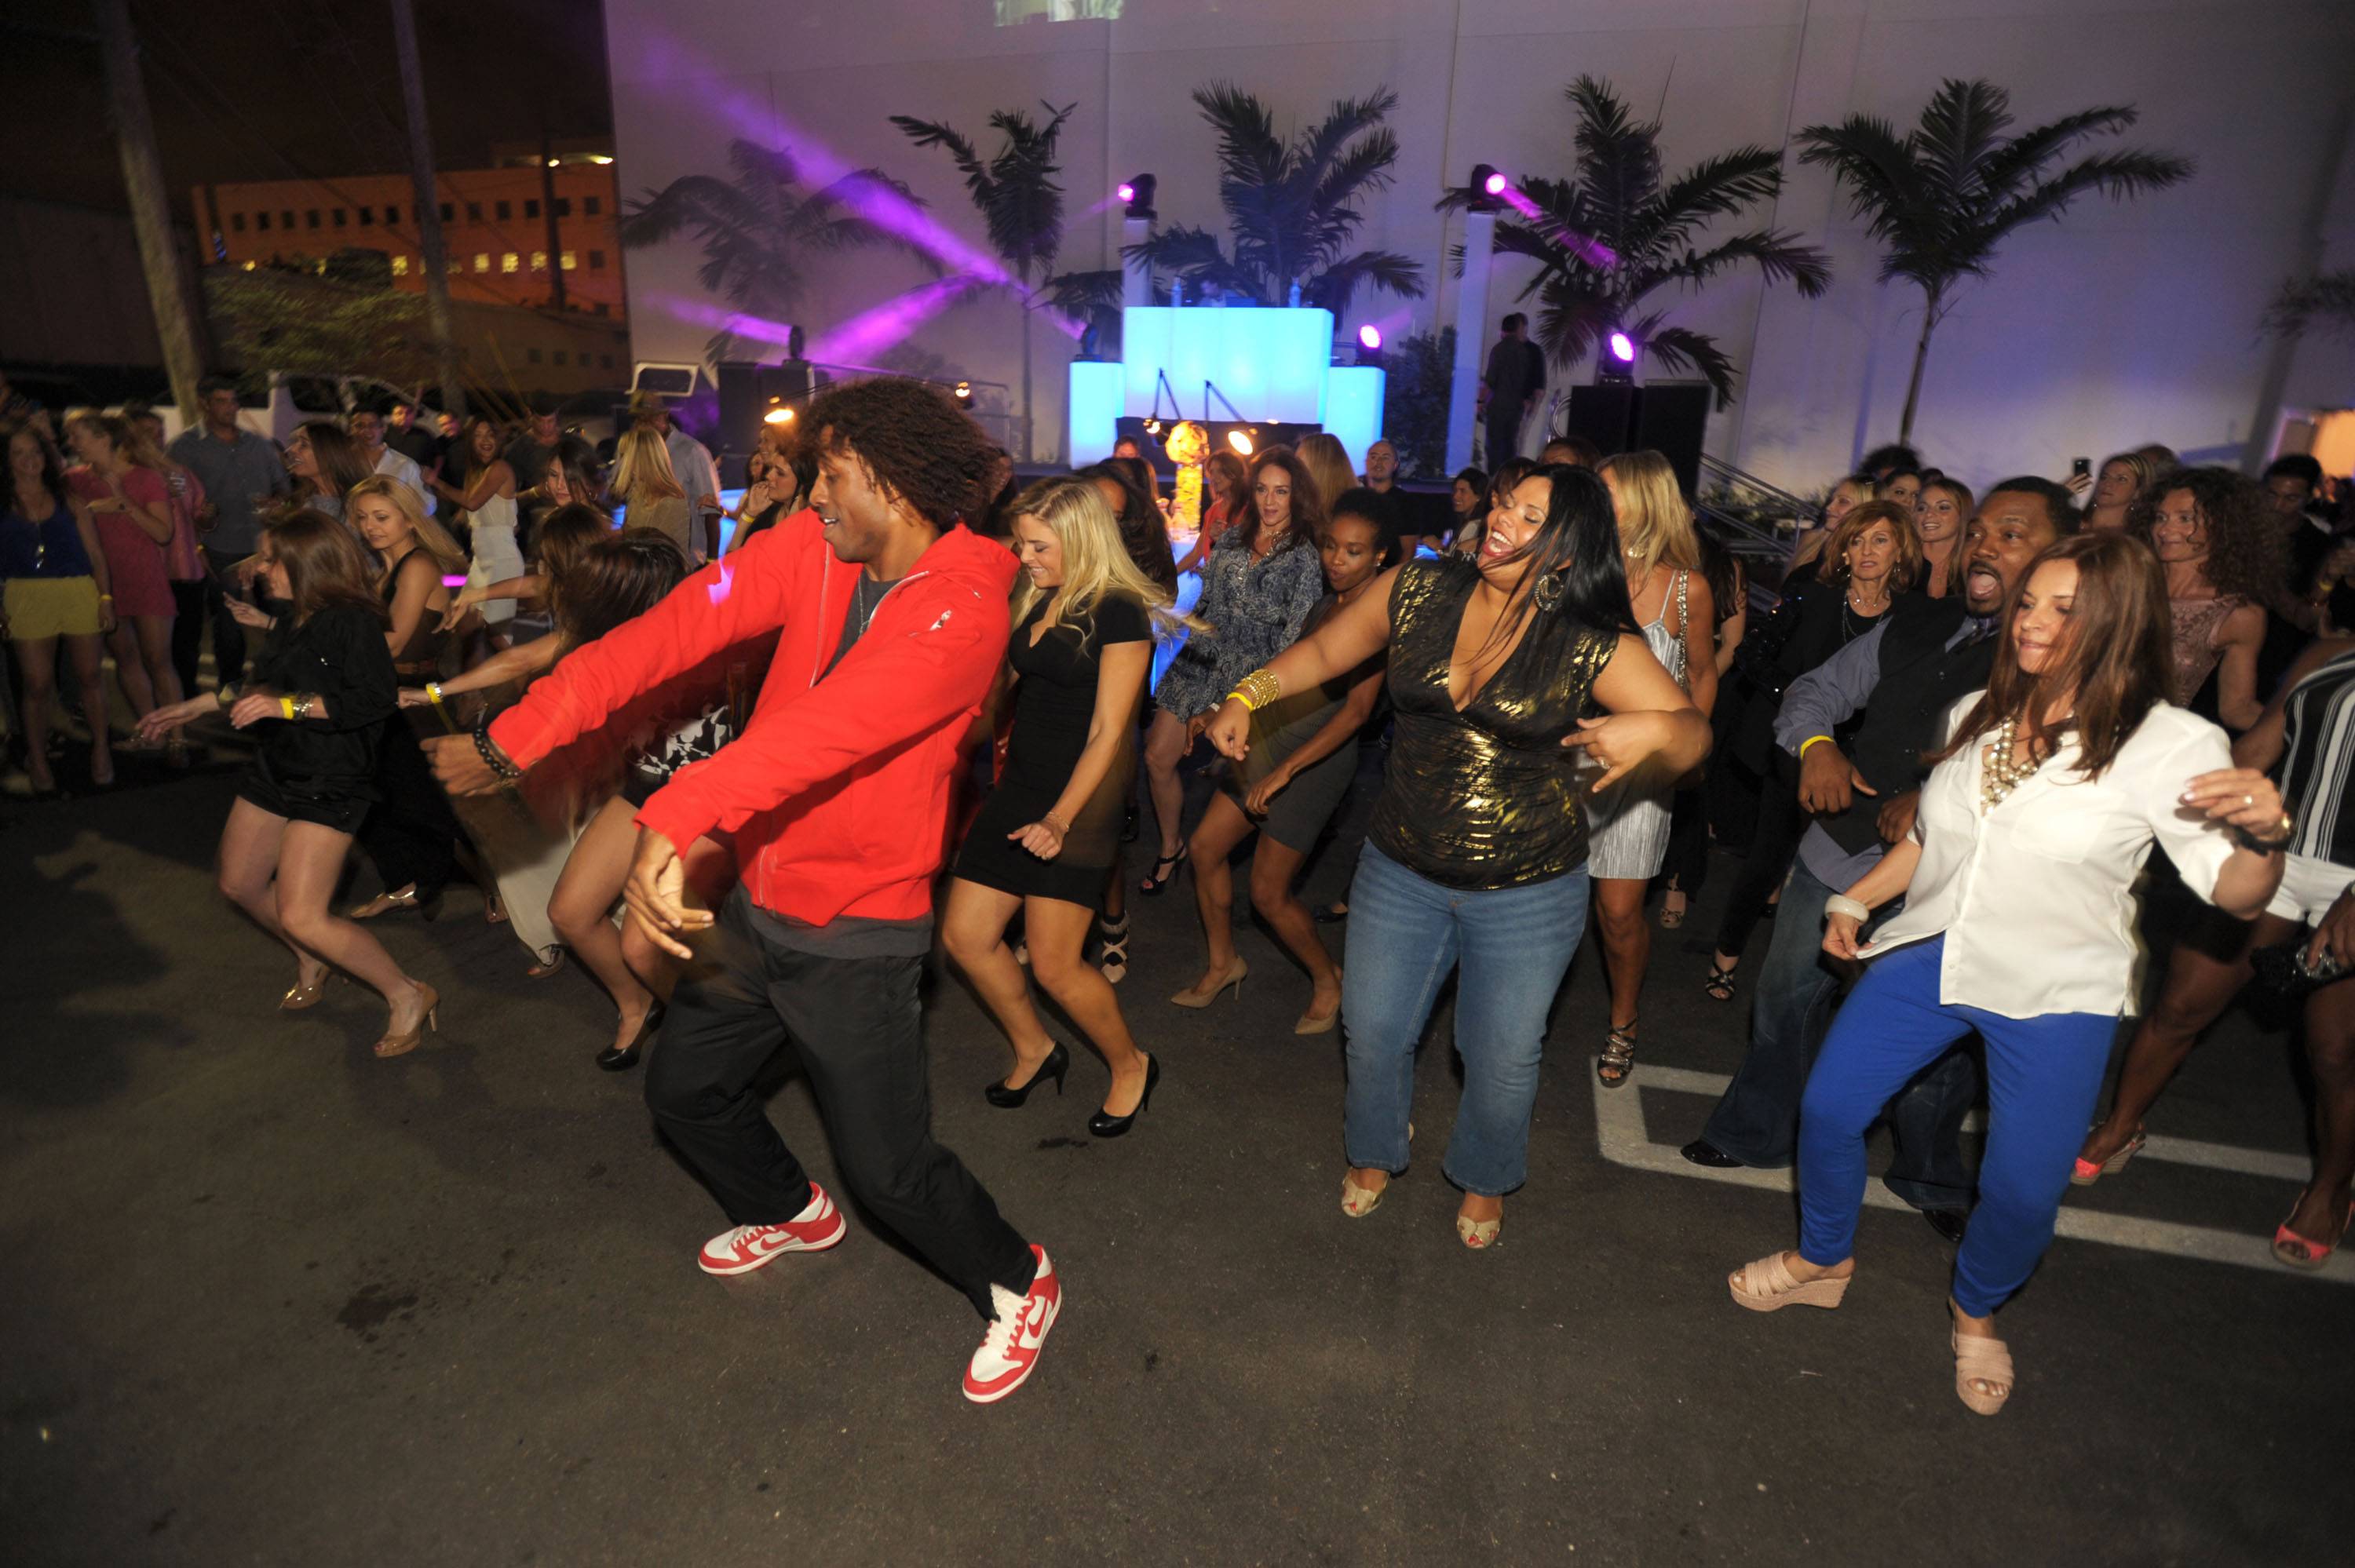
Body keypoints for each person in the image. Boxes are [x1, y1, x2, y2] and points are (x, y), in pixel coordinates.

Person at [426, 377, 1060, 1404]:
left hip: (859, 931)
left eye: (833, 478)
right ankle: (790, 1209)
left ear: (894, 485)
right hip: (760, 907)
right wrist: (519, 736)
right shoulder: (810, 547)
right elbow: (667, 631)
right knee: (683, 1094)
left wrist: (675, 819)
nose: (814, 496)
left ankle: (1019, 1279)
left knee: (891, 1174)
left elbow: (822, 735)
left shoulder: (965, 609)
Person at [1727, 531, 2289, 1416]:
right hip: (1936, 950)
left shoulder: (2170, 743)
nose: (2031, 622)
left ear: (2118, 622)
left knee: (2023, 1190)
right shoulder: (1979, 712)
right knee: (1830, 1108)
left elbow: (2234, 890)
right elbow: (1932, 838)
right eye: (2029, 603)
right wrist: (1854, 901)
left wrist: (2263, 836)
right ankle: (1823, 1258)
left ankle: (1977, 1307)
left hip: (2055, 987)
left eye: (2064, 610)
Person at [1205, 463, 1708, 1248]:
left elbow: (1693, 734)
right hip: (1400, 866)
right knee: (1372, 1030)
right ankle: (1374, 1150)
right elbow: (1326, 651)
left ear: (1568, 549)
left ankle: (1484, 1174)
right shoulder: (1418, 587)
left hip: (1528, 887)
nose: (1503, 518)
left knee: (1499, 1054)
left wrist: (1659, 729)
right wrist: (1248, 694)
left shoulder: (1591, 638)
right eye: (1506, 504)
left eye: (1531, 516)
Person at [1682, 480, 2079, 1245]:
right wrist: (1817, 747)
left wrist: (1936, 797)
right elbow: (1814, 691)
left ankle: (1928, 1172)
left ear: (2060, 555)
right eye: (1979, 531)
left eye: (2012, 534)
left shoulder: (2064, 658)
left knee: (1943, 1040)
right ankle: (1757, 1129)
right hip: (1842, 849)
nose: (1983, 547)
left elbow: (2060, 771)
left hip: (1959, 881)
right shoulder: (1923, 620)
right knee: (1785, 998)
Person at [2074, 587, 2355, 1267]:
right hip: (2277, 850)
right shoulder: (2329, 651)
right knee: (2180, 1003)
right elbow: (2259, 745)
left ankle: (2332, 1187)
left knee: (2334, 1052)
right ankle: (2120, 1126)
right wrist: (2179, 805)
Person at [135, 509, 443, 1057]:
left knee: (304, 914)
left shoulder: (353, 621)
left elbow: (373, 701)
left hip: (332, 777)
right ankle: (313, 956)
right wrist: (194, 706)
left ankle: (408, 993)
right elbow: (263, 685)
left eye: (271, 558)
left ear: (305, 563)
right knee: (239, 884)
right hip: (278, 765)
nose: (260, 567)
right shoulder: (295, 616)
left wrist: (287, 707)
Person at [407, 521, 714, 1034]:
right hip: (641, 788)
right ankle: (639, 1005)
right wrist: (472, 729)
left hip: (708, 794)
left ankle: (710, 1036)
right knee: (571, 913)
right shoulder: (610, 642)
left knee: (651, 940)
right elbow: (537, 665)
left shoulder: (713, 634)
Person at [940, 476, 1179, 1133]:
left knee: (1054, 965)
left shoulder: (1119, 611)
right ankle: (1035, 1048)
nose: (1025, 557)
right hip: (1022, 783)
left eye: (1039, 547)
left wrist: (1059, 818)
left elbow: (1109, 731)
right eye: (1022, 544)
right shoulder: (1037, 593)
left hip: (1081, 798)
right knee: (966, 937)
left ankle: (1131, 1064)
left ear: (1081, 541)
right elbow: (997, 685)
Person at [1176, 491, 1390, 1032]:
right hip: (1274, 738)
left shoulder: (1377, 622)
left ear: (1380, 557)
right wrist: (1224, 710)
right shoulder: (1327, 601)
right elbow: (1288, 673)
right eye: (1331, 546)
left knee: (1268, 894)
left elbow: (1356, 714)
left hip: (1318, 760)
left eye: (1354, 551)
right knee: (1204, 849)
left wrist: (1286, 772)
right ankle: (1223, 964)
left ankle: (1328, 978)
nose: (1336, 559)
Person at [1702, 501, 1919, 997]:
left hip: (1864, 757)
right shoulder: (1813, 597)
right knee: (1770, 854)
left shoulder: (1911, 618)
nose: (1867, 551)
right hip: (1799, 744)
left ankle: (1831, 972)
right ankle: (1725, 957)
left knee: (1842, 861)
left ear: (1901, 551)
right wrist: (1799, 698)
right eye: (1857, 541)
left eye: (1880, 540)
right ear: (1843, 550)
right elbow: (1753, 650)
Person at [1139, 447, 1327, 895]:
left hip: (1254, 674)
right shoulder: (1232, 538)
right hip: (1202, 659)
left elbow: (1294, 636)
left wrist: (1245, 694)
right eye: (1262, 489)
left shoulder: (1305, 556)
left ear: (1296, 495)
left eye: (1281, 491)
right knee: (1157, 756)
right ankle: (1170, 846)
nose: (1270, 501)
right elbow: (1206, 602)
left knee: (1240, 781)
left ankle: (1245, 868)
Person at [1586, 450, 1717, 1087]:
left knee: (1617, 914)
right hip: (1566, 759)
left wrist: (1690, 746)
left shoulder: (1687, 589)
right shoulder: (1581, 570)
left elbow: (1704, 671)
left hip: (1641, 779)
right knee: (1537, 905)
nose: (1595, 500)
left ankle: (1624, 1018)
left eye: (1606, 491)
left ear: (1643, 500)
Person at [341, 476, 480, 927]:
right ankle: (410, 883)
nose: (370, 526)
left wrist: (329, 650)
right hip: (388, 694)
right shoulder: (383, 570)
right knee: (381, 798)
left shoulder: (417, 565)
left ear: (409, 519)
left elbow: (396, 643)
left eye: (381, 517)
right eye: (363, 517)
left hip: (415, 699)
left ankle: (495, 884)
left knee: (438, 801)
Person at [2, 422, 114, 793]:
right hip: (25, 594)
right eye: (19, 453)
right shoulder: (3, 503)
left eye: (35, 451)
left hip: (77, 590)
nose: (29, 459)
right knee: (36, 684)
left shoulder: (68, 498)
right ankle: (37, 757)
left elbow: (96, 554)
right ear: (7, 460)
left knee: (90, 676)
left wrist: (105, 599)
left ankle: (102, 749)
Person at [169, 376, 290, 689]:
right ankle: (230, 689)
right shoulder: (185, 447)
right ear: (204, 404)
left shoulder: (258, 444)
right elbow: (175, 502)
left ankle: (280, 685)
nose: (230, 408)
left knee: (279, 615)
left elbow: (283, 488)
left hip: (265, 547)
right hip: (218, 547)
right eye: (221, 401)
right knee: (228, 623)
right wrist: (200, 523)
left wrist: (275, 502)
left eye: (234, 401)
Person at [2130, 467, 2273, 731]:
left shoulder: (2238, 615)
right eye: (2161, 517)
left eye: (2185, 518)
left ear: (2221, 526)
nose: (2165, 529)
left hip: (2150, 740)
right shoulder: (2126, 582)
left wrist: (2300, 722)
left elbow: (2236, 709)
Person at [64, 412, 181, 731]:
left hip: (144, 579)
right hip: (104, 584)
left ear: (103, 439)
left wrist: (124, 501)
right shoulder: (75, 480)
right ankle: (152, 732)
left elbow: (163, 533)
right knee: (126, 659)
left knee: (158, 661)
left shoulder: (145, 478)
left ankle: (177, 737)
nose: (72, 443)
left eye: (77, 436)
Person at [123, 407, 210, 730]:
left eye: (159, 433)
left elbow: (202, 515)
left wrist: (208, 516)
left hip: (184, 570)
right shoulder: (125, 476)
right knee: (148, 654)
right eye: (147, 432)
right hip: (148, 574)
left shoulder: (179, 472)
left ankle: (185, 712)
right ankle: (154, 717)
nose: (155, 439)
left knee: (185, 647)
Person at [432, 418, 524, 643]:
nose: (485, 440)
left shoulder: (500, 468)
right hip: (482, 562)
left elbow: (472, 503)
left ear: (498, 439)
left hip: (502, 563)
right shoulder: (477, 474)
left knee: (497, 636)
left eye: (490, 434)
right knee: (466, 627)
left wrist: (436, 481)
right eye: (478, 435)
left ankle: (525, 666)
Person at [633, 397, 723, 560]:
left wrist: (712, 562)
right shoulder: (639, 452)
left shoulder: (692, 451)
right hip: (652, 559)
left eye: (650, 417)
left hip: (688, 559)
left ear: (664, 415)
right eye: (641, 419)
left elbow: (711, 511)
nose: (645, 424)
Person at [608, 426, 692, 561]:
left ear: (641, 459)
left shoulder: (670, 502)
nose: (621, 462)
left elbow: (664, 558)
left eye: (624, 455)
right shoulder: (636, 494)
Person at [1481, 313, 1545, 466]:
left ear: (1504, 330)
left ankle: (1494, 476)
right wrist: (1529, 401)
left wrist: (1480, 401)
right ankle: (1508, 475)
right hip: (1517, 406)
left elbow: (1490, 380)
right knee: (1511, 446)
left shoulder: (1499, 349)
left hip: (1499, 406)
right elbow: (1533, 380)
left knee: (1494, 446)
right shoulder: (1526, 351)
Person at [1787, 475, 1875, 582]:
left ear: (1865, 509)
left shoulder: (1868, 555)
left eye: (1843, 502)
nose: (1829, 507)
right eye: (1831, 500)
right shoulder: (1811, 540)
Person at [1174, 449, 1247, 576]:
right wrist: (1167, 578)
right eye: (1212, 472)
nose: (1214, 477)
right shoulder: (1212, 511)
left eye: (1220, 471)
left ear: (1234, 472)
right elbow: (1195, 555)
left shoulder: (1248, 510)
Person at [283, 420, 372, 524]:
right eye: (294, 443)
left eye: (304, 445)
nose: (292, 449)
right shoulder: (303, 497)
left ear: (328, 453)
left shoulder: (357, 504)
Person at [1911, 475, 1968, 597]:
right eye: (1922, 508)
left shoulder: (1972, 568)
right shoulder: (1899, 563)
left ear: (1963, 515)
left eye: (1943, 507)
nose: (1929, 514)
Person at [349, 405, 424, 496]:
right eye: (359, 425)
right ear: (352, 429)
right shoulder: (343, 462)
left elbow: (425, 501)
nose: (366, 430)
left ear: (384, 428)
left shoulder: (406, 465)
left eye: (373, 425)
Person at [2078, 450, 2157, 534]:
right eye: (2104, 477)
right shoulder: (2072, 522)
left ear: (2138, 491)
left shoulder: (2135, 537)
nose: (2108, 484)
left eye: (2121, 479)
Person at [1444, 467, 1488, 553]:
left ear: (1478, 496)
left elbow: (1458, 559)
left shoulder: (1474, 526)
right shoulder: (1465, 522)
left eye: (1463, 491)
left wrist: (1439, 548)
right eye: (1455, 490)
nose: (1455, 496)